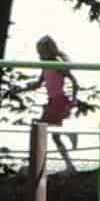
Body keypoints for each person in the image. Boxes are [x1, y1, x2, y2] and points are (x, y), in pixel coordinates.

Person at [36, 36, 85, 172]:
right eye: (38, 52)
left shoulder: (57, 63)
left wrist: (74, 100)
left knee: (41, 129)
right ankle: (69, 166)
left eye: (41, 51)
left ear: (49, 50)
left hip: (59, 101)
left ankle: (69, 134)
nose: (39, 54)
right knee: (53, 135)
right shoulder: (45, 65)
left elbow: (74, 82)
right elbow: (38, 84)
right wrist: (20, 89)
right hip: (52, 102)